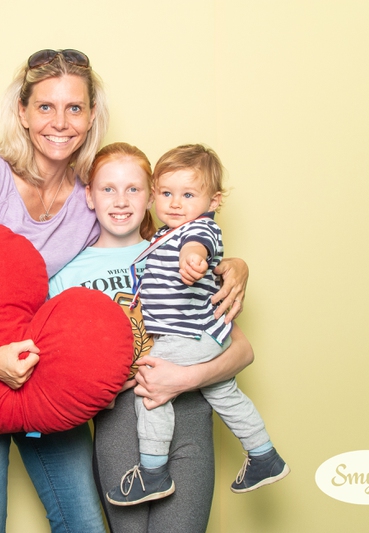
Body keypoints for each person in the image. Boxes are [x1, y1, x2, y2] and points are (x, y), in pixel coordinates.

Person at [0, 48, 248, 532]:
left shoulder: (91, 195)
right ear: (22, 112)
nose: (60, 122)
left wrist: (231, 266)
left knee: (83, 523)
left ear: (91, 115)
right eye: (45, 106)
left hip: (46, 382)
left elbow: (159, 244)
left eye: (74, 108)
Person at [48, 143, 255, 532]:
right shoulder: (65, 276)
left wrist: (183, 378)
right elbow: (56, 373)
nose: (121, 201)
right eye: (108, 189)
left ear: (151, 197)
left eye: (134, 189)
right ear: (89, 196)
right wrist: (103, 389)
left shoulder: (182, 255)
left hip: (191, 415)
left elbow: (241, 350)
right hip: (121, 425)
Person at [102, 144, 289, 510]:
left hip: (185, 334)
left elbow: (197, 246)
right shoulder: (163, 234)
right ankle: (264, 455)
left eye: (188, 195)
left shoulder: (199, 229)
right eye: (166, 193)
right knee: (225, 393)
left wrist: (193, 260)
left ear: (213, 201)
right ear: (154, 194)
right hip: (208, 334)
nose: (175, 204)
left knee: (151, 388)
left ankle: (153, 472)